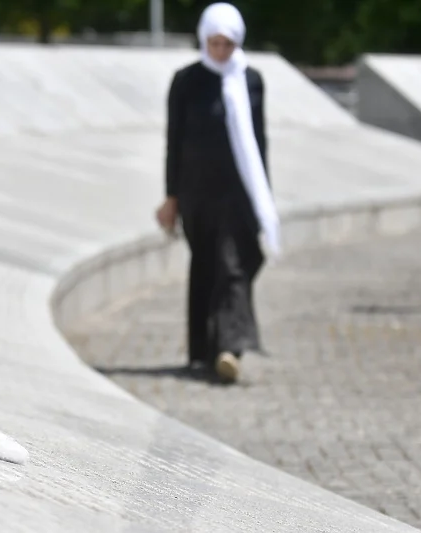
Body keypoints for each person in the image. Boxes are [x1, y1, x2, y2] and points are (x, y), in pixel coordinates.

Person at [155, 2, 280, 383]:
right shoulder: (186, 80)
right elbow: (173, 141)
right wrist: (171, 196)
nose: (221, 51)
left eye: (227, 43)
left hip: (238, 193)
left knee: (234, 263)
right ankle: (203, 349)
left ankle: (230, 347)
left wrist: (264, 199)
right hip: (196, 193)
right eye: (215, 43)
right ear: (204, 39)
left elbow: (259, 142)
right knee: (206, 264)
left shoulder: (251, 80)